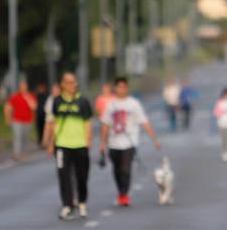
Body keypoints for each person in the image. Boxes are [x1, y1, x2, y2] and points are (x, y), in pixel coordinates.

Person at [99, 76, 161, 206]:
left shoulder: (134, 104)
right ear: (115, 88)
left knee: (126, 169)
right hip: (113, 143)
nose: (121, 89)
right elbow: (105, 125)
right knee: (117, 170)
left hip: (130, 143)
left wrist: (155, 139)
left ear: (127, 88)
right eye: (119, 87)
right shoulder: (111, 105)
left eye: (124, 87)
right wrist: (103, 143)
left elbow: (144, 122)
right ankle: (121, 192)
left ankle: (124, 194)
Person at [44, 71, 94, 220]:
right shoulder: (57, 102)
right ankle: (67, 205)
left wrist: (88, 140)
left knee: (82, 176)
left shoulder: (83, 101)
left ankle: (82, 202)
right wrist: (51, 143)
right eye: (70, 82)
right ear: (63, 84)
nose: (73, 85)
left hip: (80, 144)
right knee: (63, 175)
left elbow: (88, 123)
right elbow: (53, 123)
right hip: (62, 145)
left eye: (74, 82)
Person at [6, 81, 37, 159]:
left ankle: (24, 153)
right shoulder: (16, 96)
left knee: (25, 138)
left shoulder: (30, 96)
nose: (23, 88)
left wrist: (28, 98)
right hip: (17, 120)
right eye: (22, 86)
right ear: (19, 87)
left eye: (25, 86)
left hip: (27, 120)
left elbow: (34, 107)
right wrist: (8, 118)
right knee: (18, 137)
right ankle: (17, 153)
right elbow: (8, 107)